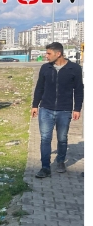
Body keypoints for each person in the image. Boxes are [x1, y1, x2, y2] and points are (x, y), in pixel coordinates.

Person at [31, 42, 84, 178]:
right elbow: (39, 88)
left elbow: (78, 90)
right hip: (46, 109)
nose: (46, 56)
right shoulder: (45, 68)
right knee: (45, 138)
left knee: (62, 138)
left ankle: (60, 161)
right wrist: (35, 105)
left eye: (48, 53)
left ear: (58, 54)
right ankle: (45, 167)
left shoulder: (75, 68)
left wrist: (77, 108)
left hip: (64, 110)